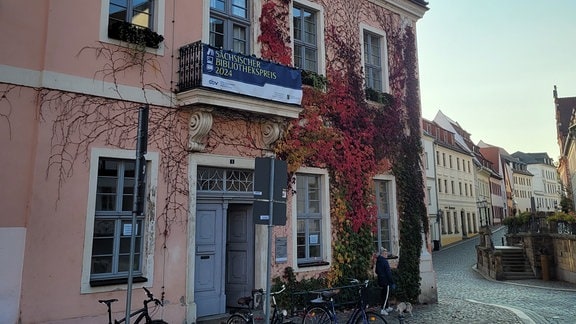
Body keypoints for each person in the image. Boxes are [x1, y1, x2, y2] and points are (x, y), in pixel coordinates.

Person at [375, 247, 395, 315]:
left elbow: (376, 271)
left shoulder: (378, 261)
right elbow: (388, 273)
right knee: (386, 295)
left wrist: (381, 275)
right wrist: (392, 282)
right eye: (385, 253)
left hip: (380, 280)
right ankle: (383, 309)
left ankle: (386, 307)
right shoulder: (385, 261)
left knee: (384, 295)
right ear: (382, 254)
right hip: (386, 281)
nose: (386, 255)